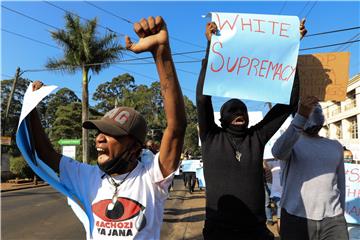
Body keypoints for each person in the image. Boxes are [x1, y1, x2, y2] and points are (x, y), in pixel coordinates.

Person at [28, 16, 186, 240]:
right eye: (99, 132)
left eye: (112, 134)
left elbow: (177, 127)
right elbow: (45, 154)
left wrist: (161, 53)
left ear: (134, 146)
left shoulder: (152, 178)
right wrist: (32, 109)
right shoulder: (86, 176)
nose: (99, 139)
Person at [196, 20, 307, 239]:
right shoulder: (210, 136)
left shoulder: (257, 137)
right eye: (232, 110)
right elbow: (202, 98)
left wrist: (292, 47)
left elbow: (289, 104)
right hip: (219, 230)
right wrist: (210, 48)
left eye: (242, 110)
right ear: (222, 118)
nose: (239, 113)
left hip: (255, 230)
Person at [272, 96, 348, 240]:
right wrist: (301, 116)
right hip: (296, 218)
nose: (315, 111)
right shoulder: (292, 143)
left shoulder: (335, 146)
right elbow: (277, 152)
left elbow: (340, 184)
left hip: (333, 221)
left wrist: (340, 214)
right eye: (310, 110)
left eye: (318, 108)